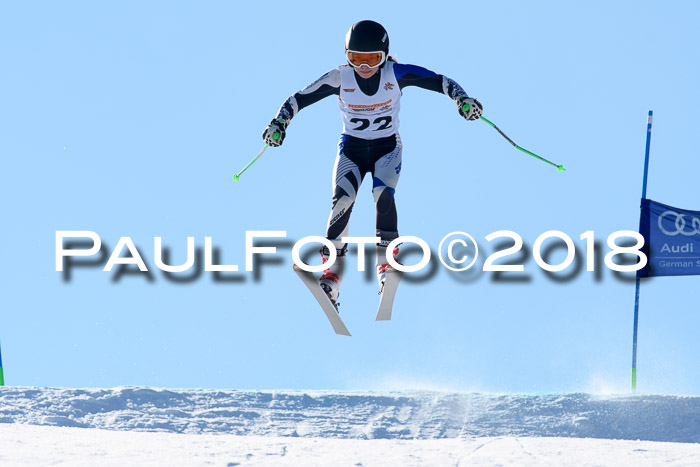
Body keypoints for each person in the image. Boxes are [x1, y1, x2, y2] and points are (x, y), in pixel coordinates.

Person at [262, 20, 482, 308]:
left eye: (372, 59)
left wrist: (462, 99)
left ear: (384, 55)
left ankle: (386, 265)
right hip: (352, 149)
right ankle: (331, 277)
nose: (364, 66)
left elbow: (440, 81)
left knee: (383, 196)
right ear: (347, 56)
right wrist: (279, 123)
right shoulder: (340, 78)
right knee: (342, 201)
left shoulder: (395, 73)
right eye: (356, 59)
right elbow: (299, 98)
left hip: (386, 148)